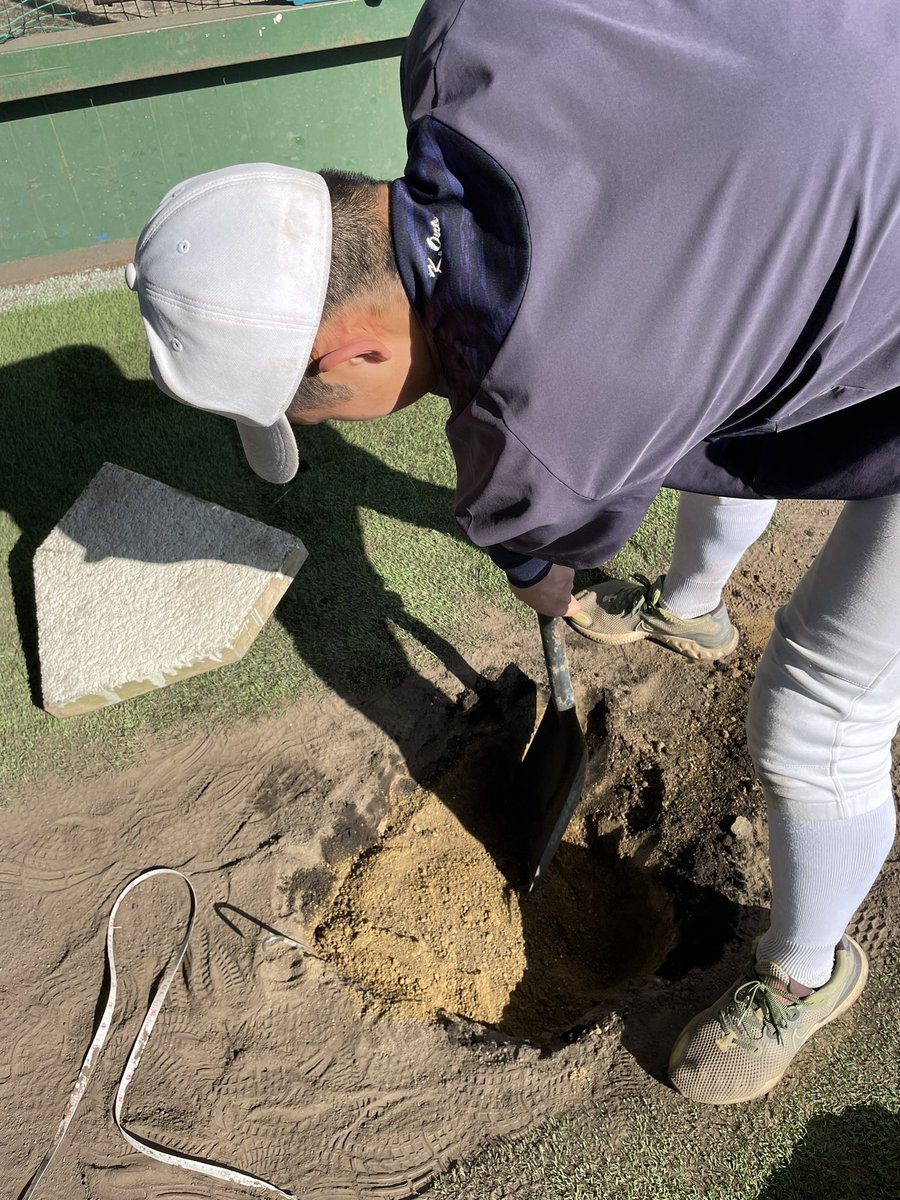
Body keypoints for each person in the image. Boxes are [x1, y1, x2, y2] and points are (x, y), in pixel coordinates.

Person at [125, 0, 899, 1104]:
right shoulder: (466, 28)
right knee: (736, 396)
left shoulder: (544, 428)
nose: (338, 423)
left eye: (320, 410)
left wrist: (542, 578)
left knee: (819, 712)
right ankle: (695, 606)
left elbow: (546, 546)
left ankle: (806, 973)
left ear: (349, 348)